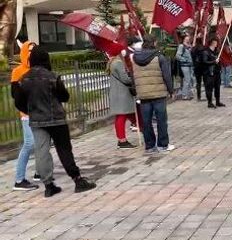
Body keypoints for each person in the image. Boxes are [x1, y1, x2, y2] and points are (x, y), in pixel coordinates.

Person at [13, 46, 96, 197]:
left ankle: (48, 185)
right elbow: (65, 96)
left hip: (37, 121)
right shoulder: (52, 76)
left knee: (41, 152)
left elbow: (18, 102)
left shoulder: (24, 79)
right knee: (64, 149)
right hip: (57, 119)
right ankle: (77, 180)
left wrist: (30, 110)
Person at [132, 35, 175, 154]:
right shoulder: (159, 57)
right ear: (154, 43)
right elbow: (167, 75)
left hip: (143, 95)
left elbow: (133, 76)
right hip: (158, 93)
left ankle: (150, 146)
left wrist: (135, 91)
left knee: (146, 122)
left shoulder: (135, 58)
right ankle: (162, 145)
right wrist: (171, 91)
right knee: (161, 120)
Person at [10, 40, 39, 191]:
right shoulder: (17, 71)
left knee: (42, 142)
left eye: (34, 50)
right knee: (29, 143)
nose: (31, 53)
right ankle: (19, 180)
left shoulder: (38, 69)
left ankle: (39, 172)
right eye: (29, 50)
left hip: (40, 112)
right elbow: (15, 95)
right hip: (27, 114)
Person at [108, 52, 137, 149]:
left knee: (126, 115)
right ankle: (122, 140)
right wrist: (131, 77)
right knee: (122, 116)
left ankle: (123, 138)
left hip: (117, 93)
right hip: (122, 93)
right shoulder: (118, 63)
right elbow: (125, 79)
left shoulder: (111, 62)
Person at [202, 37, 226, 108]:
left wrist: (220, 64)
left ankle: (218, 102)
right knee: (209, 88)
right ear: (212, 43)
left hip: (217, 72)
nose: (216, 44)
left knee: (217, 87)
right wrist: (214, 61)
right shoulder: (206, 52)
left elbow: (219, 62)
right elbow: (205, 62)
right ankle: (209, 103)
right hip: (209, 73)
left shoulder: (216, 52)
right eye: (215, 43)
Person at [175, 35, 194, 100]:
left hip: (190, 65)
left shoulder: (189, 46)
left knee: (191, 79)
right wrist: (185, 60)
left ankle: (190, 94)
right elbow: (177, 56)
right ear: (184, 39)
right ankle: (184, 95)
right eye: (186, 38)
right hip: (185, 65)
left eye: (188, 38)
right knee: (187, 79)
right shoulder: (181, 46)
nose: (188, 39)